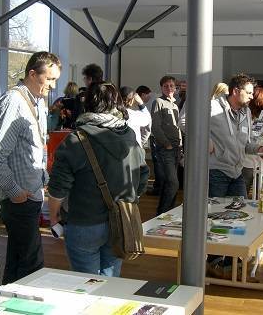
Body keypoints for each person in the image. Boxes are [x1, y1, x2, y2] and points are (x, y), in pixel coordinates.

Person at [47, 82, 148, 277]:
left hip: (84, 223)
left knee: (85, 286)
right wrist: (128, 201)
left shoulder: (75, 139)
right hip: (121, 222)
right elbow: (142, 176)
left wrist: (53, 218)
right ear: (117, 103)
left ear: (87, 104)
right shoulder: (129, 136)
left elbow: (57, 189)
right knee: (110, 283)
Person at [0, 51, 61, 284]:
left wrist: (42, 177)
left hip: (30, 194)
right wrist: (14, 192)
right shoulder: (14, 102)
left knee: (21, 261)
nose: (53, 85)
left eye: (55, 80)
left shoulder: (36, 101)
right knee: (30, 264)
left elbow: (34, 144)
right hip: (19, 198)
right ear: (32, 74)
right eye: (49, 79)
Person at [208, 73, 263, 198]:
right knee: (213, 215)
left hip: (237, 173)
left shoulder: (247, 112)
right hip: (215, 172)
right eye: (248, 93)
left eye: (252, 94)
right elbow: (185, 122)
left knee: (240, 211)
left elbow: (246, 144)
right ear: (236, 91)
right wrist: (206, 140)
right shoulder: (213, 106)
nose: (251, 97)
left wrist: (259, 149)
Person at [151, 75, 182, 215]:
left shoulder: (175, 104)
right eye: (165, 86)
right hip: (166, 149)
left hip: (177, 149)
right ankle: (162, 213)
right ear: (161, 88)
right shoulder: (158, 102)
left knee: (170, 184)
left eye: (171, 86)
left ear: (175, 88)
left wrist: (180, 145)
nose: (169, 88)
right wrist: (166, 144)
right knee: (173, 183)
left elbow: (177, 127)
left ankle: (167, 213)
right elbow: (155, 127)